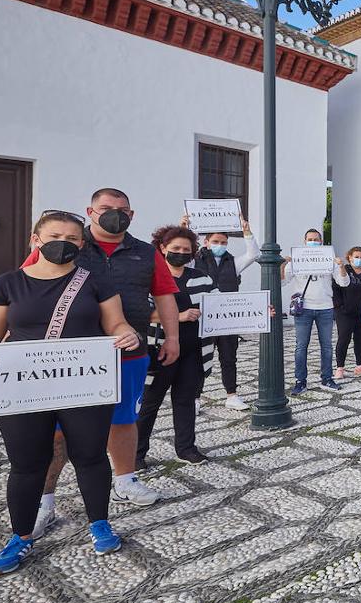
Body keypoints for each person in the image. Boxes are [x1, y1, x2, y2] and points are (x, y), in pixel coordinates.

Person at [0, 211, 140, 573]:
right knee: (27, 463)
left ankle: (99, 522)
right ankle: (20, 536)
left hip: (84, 382)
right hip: (23, 386)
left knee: (90, 455)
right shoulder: (7, 283)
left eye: (71, 237)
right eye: (53, 235)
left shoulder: (95, 283)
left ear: (81, 244)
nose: (62, 242)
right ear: (35, 240)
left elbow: (116, 322)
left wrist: (128, 334)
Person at [24, 189, 179, 528]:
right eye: (106, 208)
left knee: (123, 420)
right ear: (90, 211)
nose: (115, 214)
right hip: (67, 358)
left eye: (122, 210)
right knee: (57, 431)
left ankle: (124, 481)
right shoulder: (71, 245)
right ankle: (43, 500)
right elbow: (25, 288)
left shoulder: (146, 253)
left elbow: (165, 296)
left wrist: (173, 337)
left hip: (128, 352)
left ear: (132, 215)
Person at [137, 225, 216, 468]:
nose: (181, 253)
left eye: (186, 249)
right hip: (160, 350)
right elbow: (141, 313)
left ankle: (186, 448)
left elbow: (223, 305)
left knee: (186, 399)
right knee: (150, 401)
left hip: (193, 350)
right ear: (162, 248)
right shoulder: (148, 277)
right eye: (175, 249)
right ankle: (136, 453)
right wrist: (177, 317)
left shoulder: (201, 277)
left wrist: (258, 312)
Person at [188, 216, 260, 411]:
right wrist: (186, 229)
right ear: (206, 242)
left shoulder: (233, 262)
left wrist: (247, 232)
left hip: (227, 320)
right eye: (215, 242)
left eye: (223, 242)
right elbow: (183, 252)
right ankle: (195, 398)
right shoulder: (195, 261)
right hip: (203, 318)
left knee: (229, 358)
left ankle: (232, 395)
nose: (219, 245)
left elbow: (253, 254)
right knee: (200, 359)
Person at [283, 229, 349, 395]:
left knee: (326, 346)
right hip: (303, 309)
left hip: (325, 308)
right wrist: (284, 264)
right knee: (301, 347)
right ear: (305, 242)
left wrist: (341, 266)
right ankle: (300, 381)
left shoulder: (330, 259)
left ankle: (327, 378)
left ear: (321, 241)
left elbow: (343, 282)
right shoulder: (296, 260)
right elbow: (282, 282)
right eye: (310, 239)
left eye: (316, 239)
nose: (313, 241)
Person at [333, 246, 361, 380]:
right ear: (349, 257)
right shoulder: (344, 270)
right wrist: (340, 306)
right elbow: (336, 289)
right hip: (345, 313)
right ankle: (340, 368)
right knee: (344, 339)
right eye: (356, 257)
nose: (359, 259)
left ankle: (360, 366)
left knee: (360, 340)